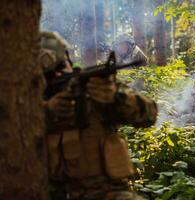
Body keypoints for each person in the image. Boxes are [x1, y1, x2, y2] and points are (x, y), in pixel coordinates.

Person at [40, 32, 158, 200]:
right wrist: (47, 111)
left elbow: (150, 114)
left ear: (68, 60)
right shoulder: (31, 101)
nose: (60, 75)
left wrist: (117, 98)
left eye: (62, 66)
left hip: (109, 193)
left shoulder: (95, 86)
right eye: (51, 73)